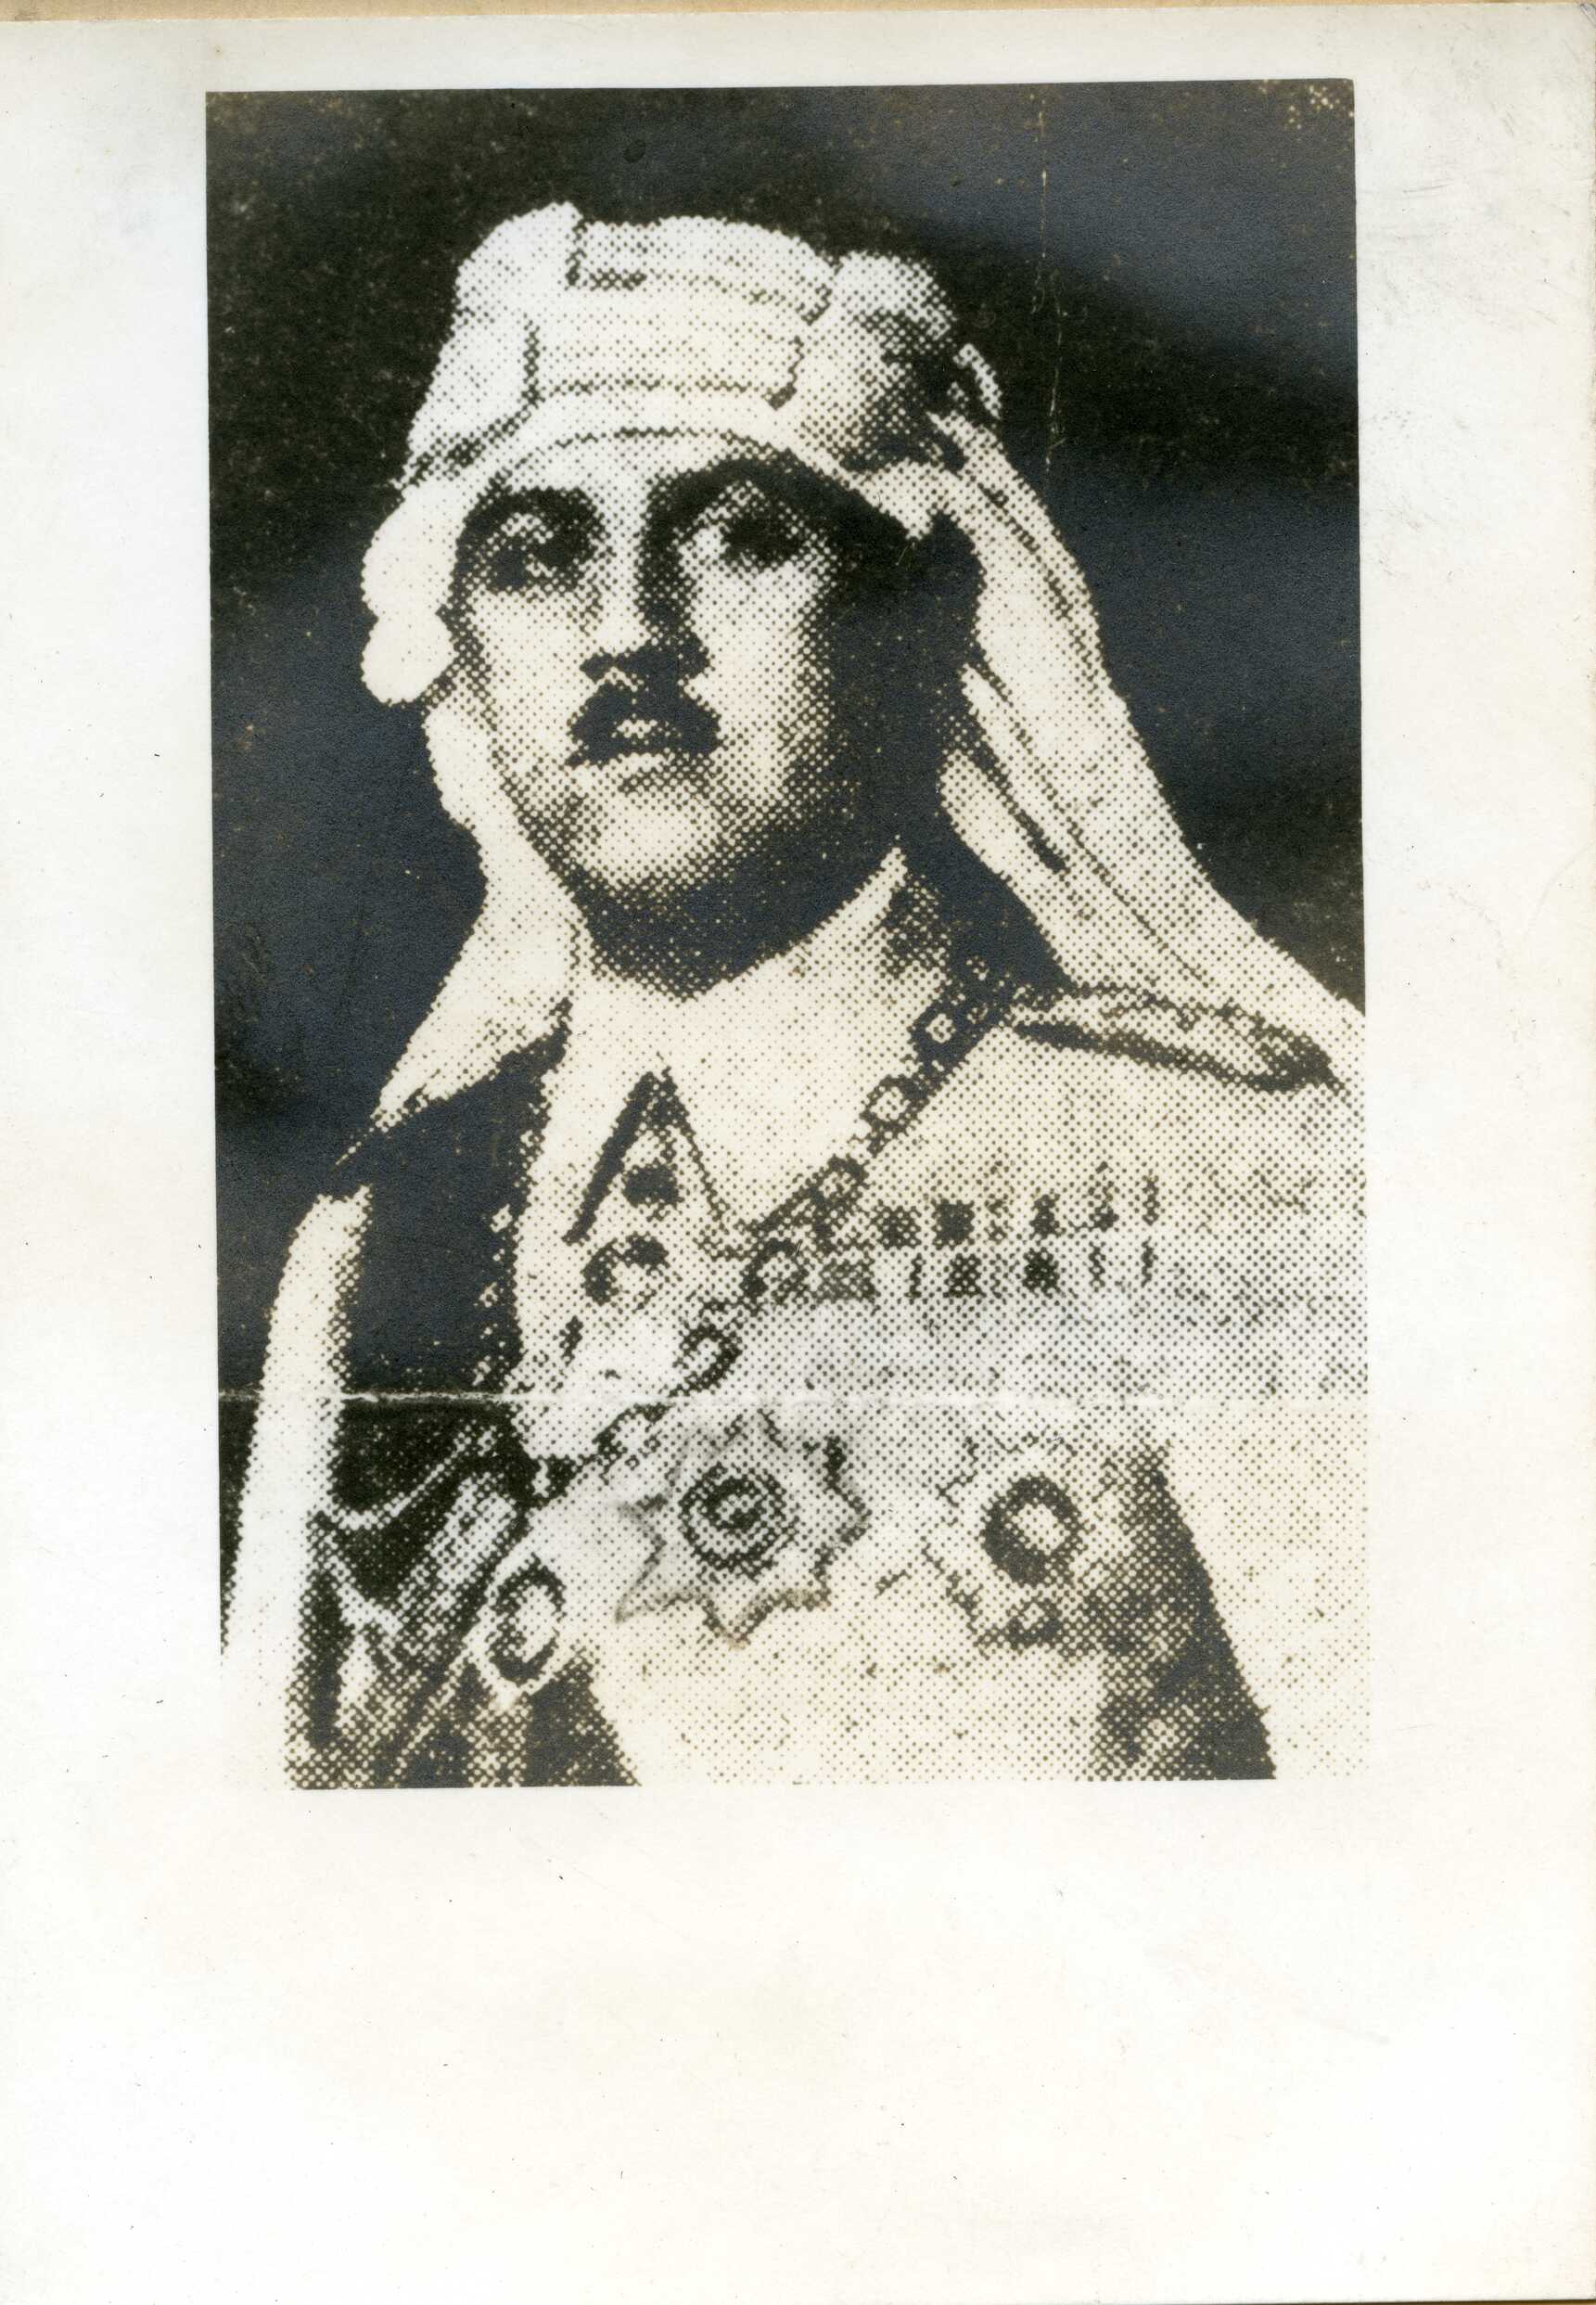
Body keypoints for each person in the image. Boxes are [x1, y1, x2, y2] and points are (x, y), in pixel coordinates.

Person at [225, 205, 1363, 1787]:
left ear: (923, 616)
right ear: (463, 655)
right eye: (540, 555)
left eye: (741, 535)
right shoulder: (372, 1248)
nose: (630, 632)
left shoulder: (1233, 1169)